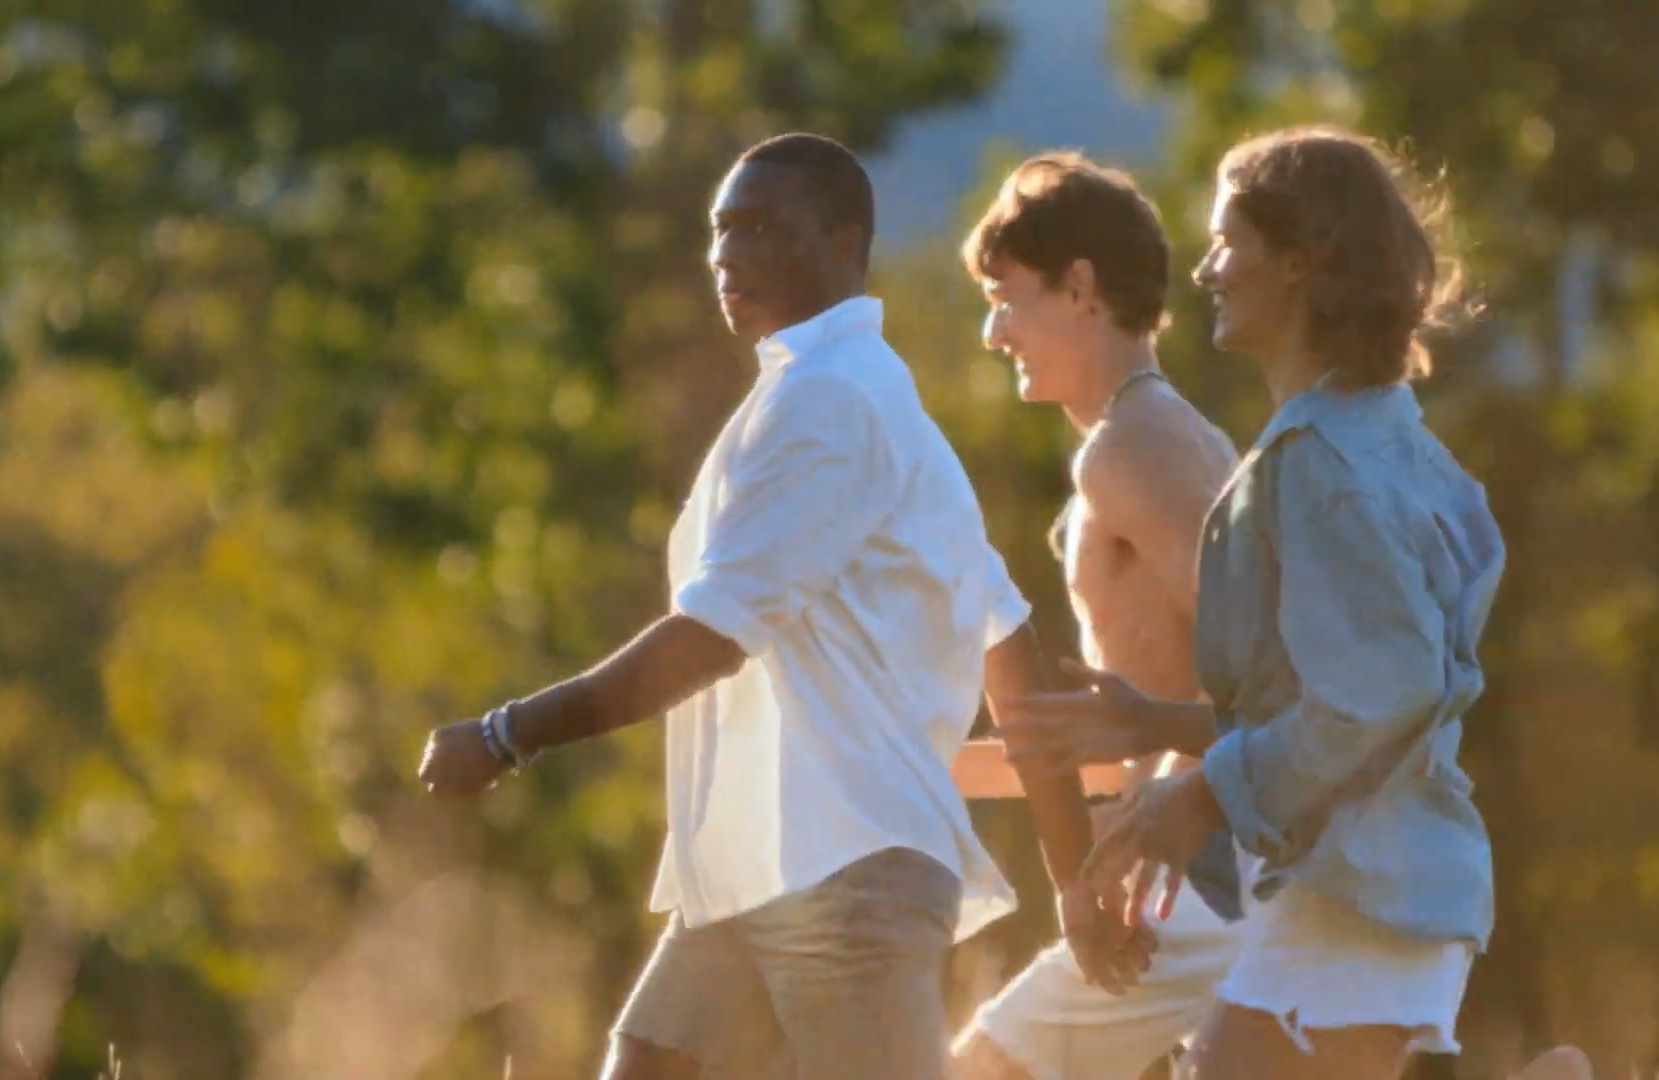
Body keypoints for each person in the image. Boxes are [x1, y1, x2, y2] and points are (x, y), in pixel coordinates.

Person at [417, 132, 1125, 1080]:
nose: (725, 253)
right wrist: (1073, 876)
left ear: (842, 244)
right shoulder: (846, 396)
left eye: (758, 228)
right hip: (762, 872)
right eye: (720, 229)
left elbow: (712, 639)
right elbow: (1010, 642)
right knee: (648, 1063)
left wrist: (509, 734)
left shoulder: (833, 401)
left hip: (848, 875)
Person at [1023, 125, 1504, 1079]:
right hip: (1369, 884)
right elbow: (1346, 695)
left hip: (1363, 898)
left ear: (1298, 260)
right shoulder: (1384, 436)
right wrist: (1152, 721)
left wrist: (1204, 791)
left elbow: (1383, 694)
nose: (1205, 272)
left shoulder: (1320, 463)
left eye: (1225, 243)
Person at [941, 152, 1243, 1080]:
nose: (993, 332)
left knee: (979, 1071)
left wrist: (1152, 825)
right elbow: (1148, 708)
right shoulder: (1156, 436)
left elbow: (1269, 677)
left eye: (1006, 298)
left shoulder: (1132, 447)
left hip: (1210, 871)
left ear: (1079, 288)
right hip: (1201, 861)